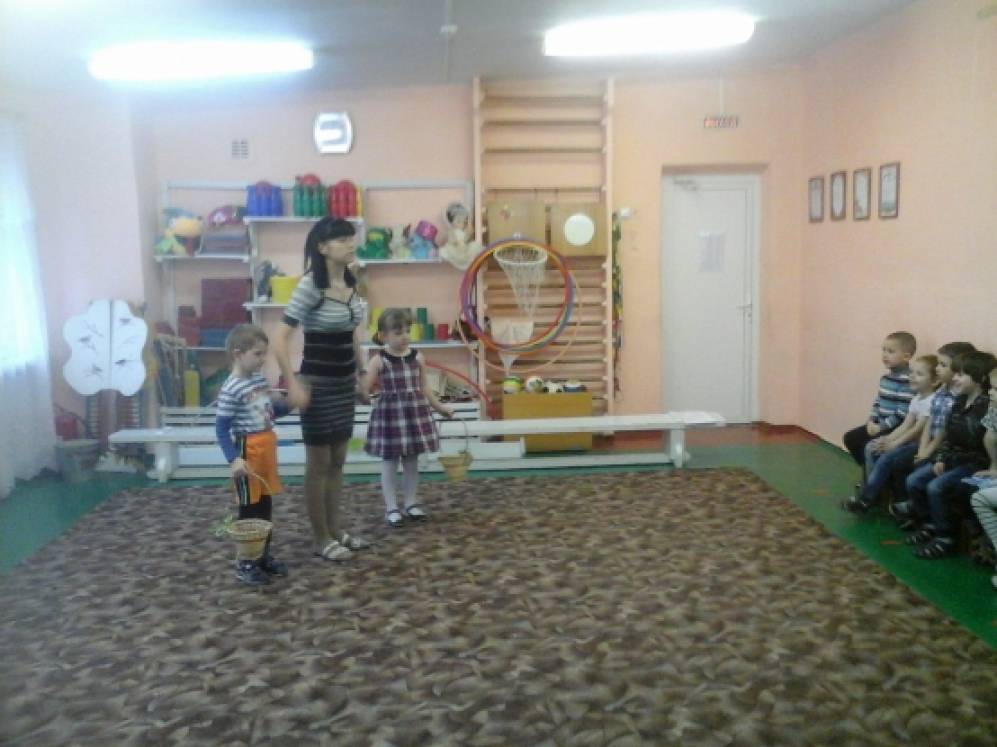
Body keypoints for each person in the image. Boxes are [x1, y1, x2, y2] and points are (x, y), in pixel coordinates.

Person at [272, 217, 370, 562]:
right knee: (320, 463)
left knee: (339, 461)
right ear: (322, 247)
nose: (350, 243)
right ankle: (320, 537)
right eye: (341, 239)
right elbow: (279, 338)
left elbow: (352, 333)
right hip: (317, 384)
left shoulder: (351, 281)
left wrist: (361, 373)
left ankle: (335, 529)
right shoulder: (310, 286)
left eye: (350, 237)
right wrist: (293, 382)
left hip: (344, 384)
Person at [894, 350, 997, 559]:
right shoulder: (958, 402)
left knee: (936, 487)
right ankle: (929, 524)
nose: (955, 378)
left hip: (972, 462)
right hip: (952, 458)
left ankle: (945, 537)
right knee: (914, 481)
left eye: (961, 375)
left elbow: (979, 444)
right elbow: (947, 435)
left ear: (979, 379)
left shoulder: (987, 406)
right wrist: (941, 458)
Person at [360, 308, 454, 527]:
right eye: (398, 332)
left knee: (412, 460)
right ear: (383, 336)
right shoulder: (378, 360)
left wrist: (440, 408)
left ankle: (411, 503)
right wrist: (362, 394)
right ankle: (392, 508)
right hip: (390, 417)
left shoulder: (418, 357)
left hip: (414, 413)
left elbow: (424, 387)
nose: (405, 336)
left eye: (407, 331)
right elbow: (364, 387)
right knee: (390, 462)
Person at [215, 324, 290, 586]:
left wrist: (292, 403)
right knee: (249, 509)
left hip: (266, 447)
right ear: (238, 354)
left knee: (265, 505)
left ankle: (262, 556)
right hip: (248, 452)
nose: (262, 359)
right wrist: (233, 458)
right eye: (257, 354)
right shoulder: (231, 388)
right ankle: (245, 563)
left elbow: (269, 413)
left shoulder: (258, 380)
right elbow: (221, 429)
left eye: (264, 354)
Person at [887, 341, 976, 515]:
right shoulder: (942, 390)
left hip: (943, 449)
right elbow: (931, 421)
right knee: (899, 462)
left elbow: (945, 433)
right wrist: (923, 449)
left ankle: (920, 512)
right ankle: (908, 505)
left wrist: (927, 452)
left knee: (914, 470)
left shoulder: (959, 398)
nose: (937, 368)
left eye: (942, 365)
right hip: (930, 444)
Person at [842, 354, 938, 513]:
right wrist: (887, 439)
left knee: (886, 458)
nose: (912, 376)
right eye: (912, 372)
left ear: (934, 381)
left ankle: (866, 499)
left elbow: (917, 430)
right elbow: (906, 424)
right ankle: (874, 491)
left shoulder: (932, 401)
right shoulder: (917, 399)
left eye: (919, 374)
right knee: (873, 447)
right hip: (910, 441)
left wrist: (894, 444)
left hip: (919, 444)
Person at [841, 331, 916, 491]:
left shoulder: (908, 381)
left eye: (891, 351)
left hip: (895, 428)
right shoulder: (886, 378)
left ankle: (874, 485)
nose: (885, 355)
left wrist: (880, 427)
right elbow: (878, 401)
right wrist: (871, 420)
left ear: (907, 356)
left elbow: (902, 413)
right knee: (851, 438)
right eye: (884, 350)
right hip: (879, 424)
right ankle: (872, 477)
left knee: (869, 446)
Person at [969, 364, 997, 590]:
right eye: (992, 388)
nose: (991, 393)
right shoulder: (994, 409)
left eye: (996, 389)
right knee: (980, 496)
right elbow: (989, 438)